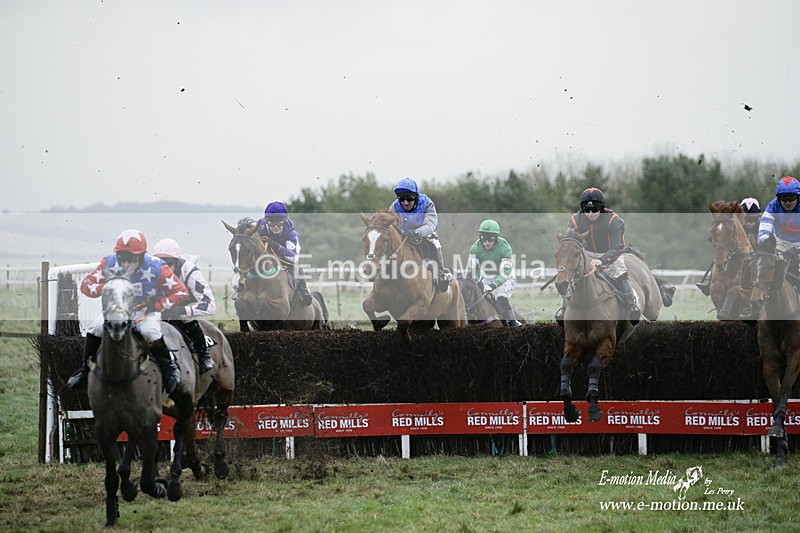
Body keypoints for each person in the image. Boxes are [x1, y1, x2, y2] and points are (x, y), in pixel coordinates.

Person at [67, 229, 189, 393]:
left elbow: (181, 292)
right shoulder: (108, 263)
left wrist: (157, 306)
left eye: (131, 258)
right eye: (122, 257)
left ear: (142, 255)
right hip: (117, 310)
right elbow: (86, 285)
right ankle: (85, 369)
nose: (125, 263)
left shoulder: (157, 266)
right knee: (95, 327)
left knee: (150, 331)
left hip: (144, 311)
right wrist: (108, 288)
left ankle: (170, 368)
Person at [557, 187, 640, 324]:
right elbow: (571, 244)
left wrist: (601, 260)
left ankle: (631, 305)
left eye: (594, 209)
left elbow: (617, 247)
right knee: (572, 276)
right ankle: (565, 308)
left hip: (611, 254)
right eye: (586, 210)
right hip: (586, 254)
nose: (590, 213)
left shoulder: (615, 220)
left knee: (618, 271)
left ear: (601, 207)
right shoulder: (575, 220)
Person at [153, 238, 215, 374]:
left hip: (188, 304)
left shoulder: (190, 271)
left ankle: (204, 355)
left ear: (176, 261)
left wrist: (181, 309)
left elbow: (210, 305)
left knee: (184, 316)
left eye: (168, 263)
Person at [388, 178, 453, 292]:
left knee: (436, 245)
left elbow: (430, 224)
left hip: (425, 234)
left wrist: (417, 232)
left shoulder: (427, 203)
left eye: (409, 198)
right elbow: (389, 224)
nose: (406, 202)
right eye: (402, 199)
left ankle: (441, 275)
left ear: (416, 197)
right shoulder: (395, 206)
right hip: (404, 234)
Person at [255, 201, 313, 306]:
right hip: (267, 253)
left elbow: (292, 257)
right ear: (267, 221)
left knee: (296, 266)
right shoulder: (260, 226)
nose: (276, 227)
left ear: (284, 221)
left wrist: (274, 244)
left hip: (288, 253)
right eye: (272, 224)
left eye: (279, 223)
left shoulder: (290, 233)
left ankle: (304, 290)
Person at [465, 219, 520, 327]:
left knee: (501, 298)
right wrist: (478, 283)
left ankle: (514, 324)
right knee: (478, 297)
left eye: (490, 240)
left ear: (496, 238)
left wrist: (493, 285)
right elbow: (473, 271)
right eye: (484, 240)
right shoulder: (475, 248)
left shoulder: (505, 247)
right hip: (487, 276)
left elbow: (505, 272)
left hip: (506, 277)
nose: (487, 243)